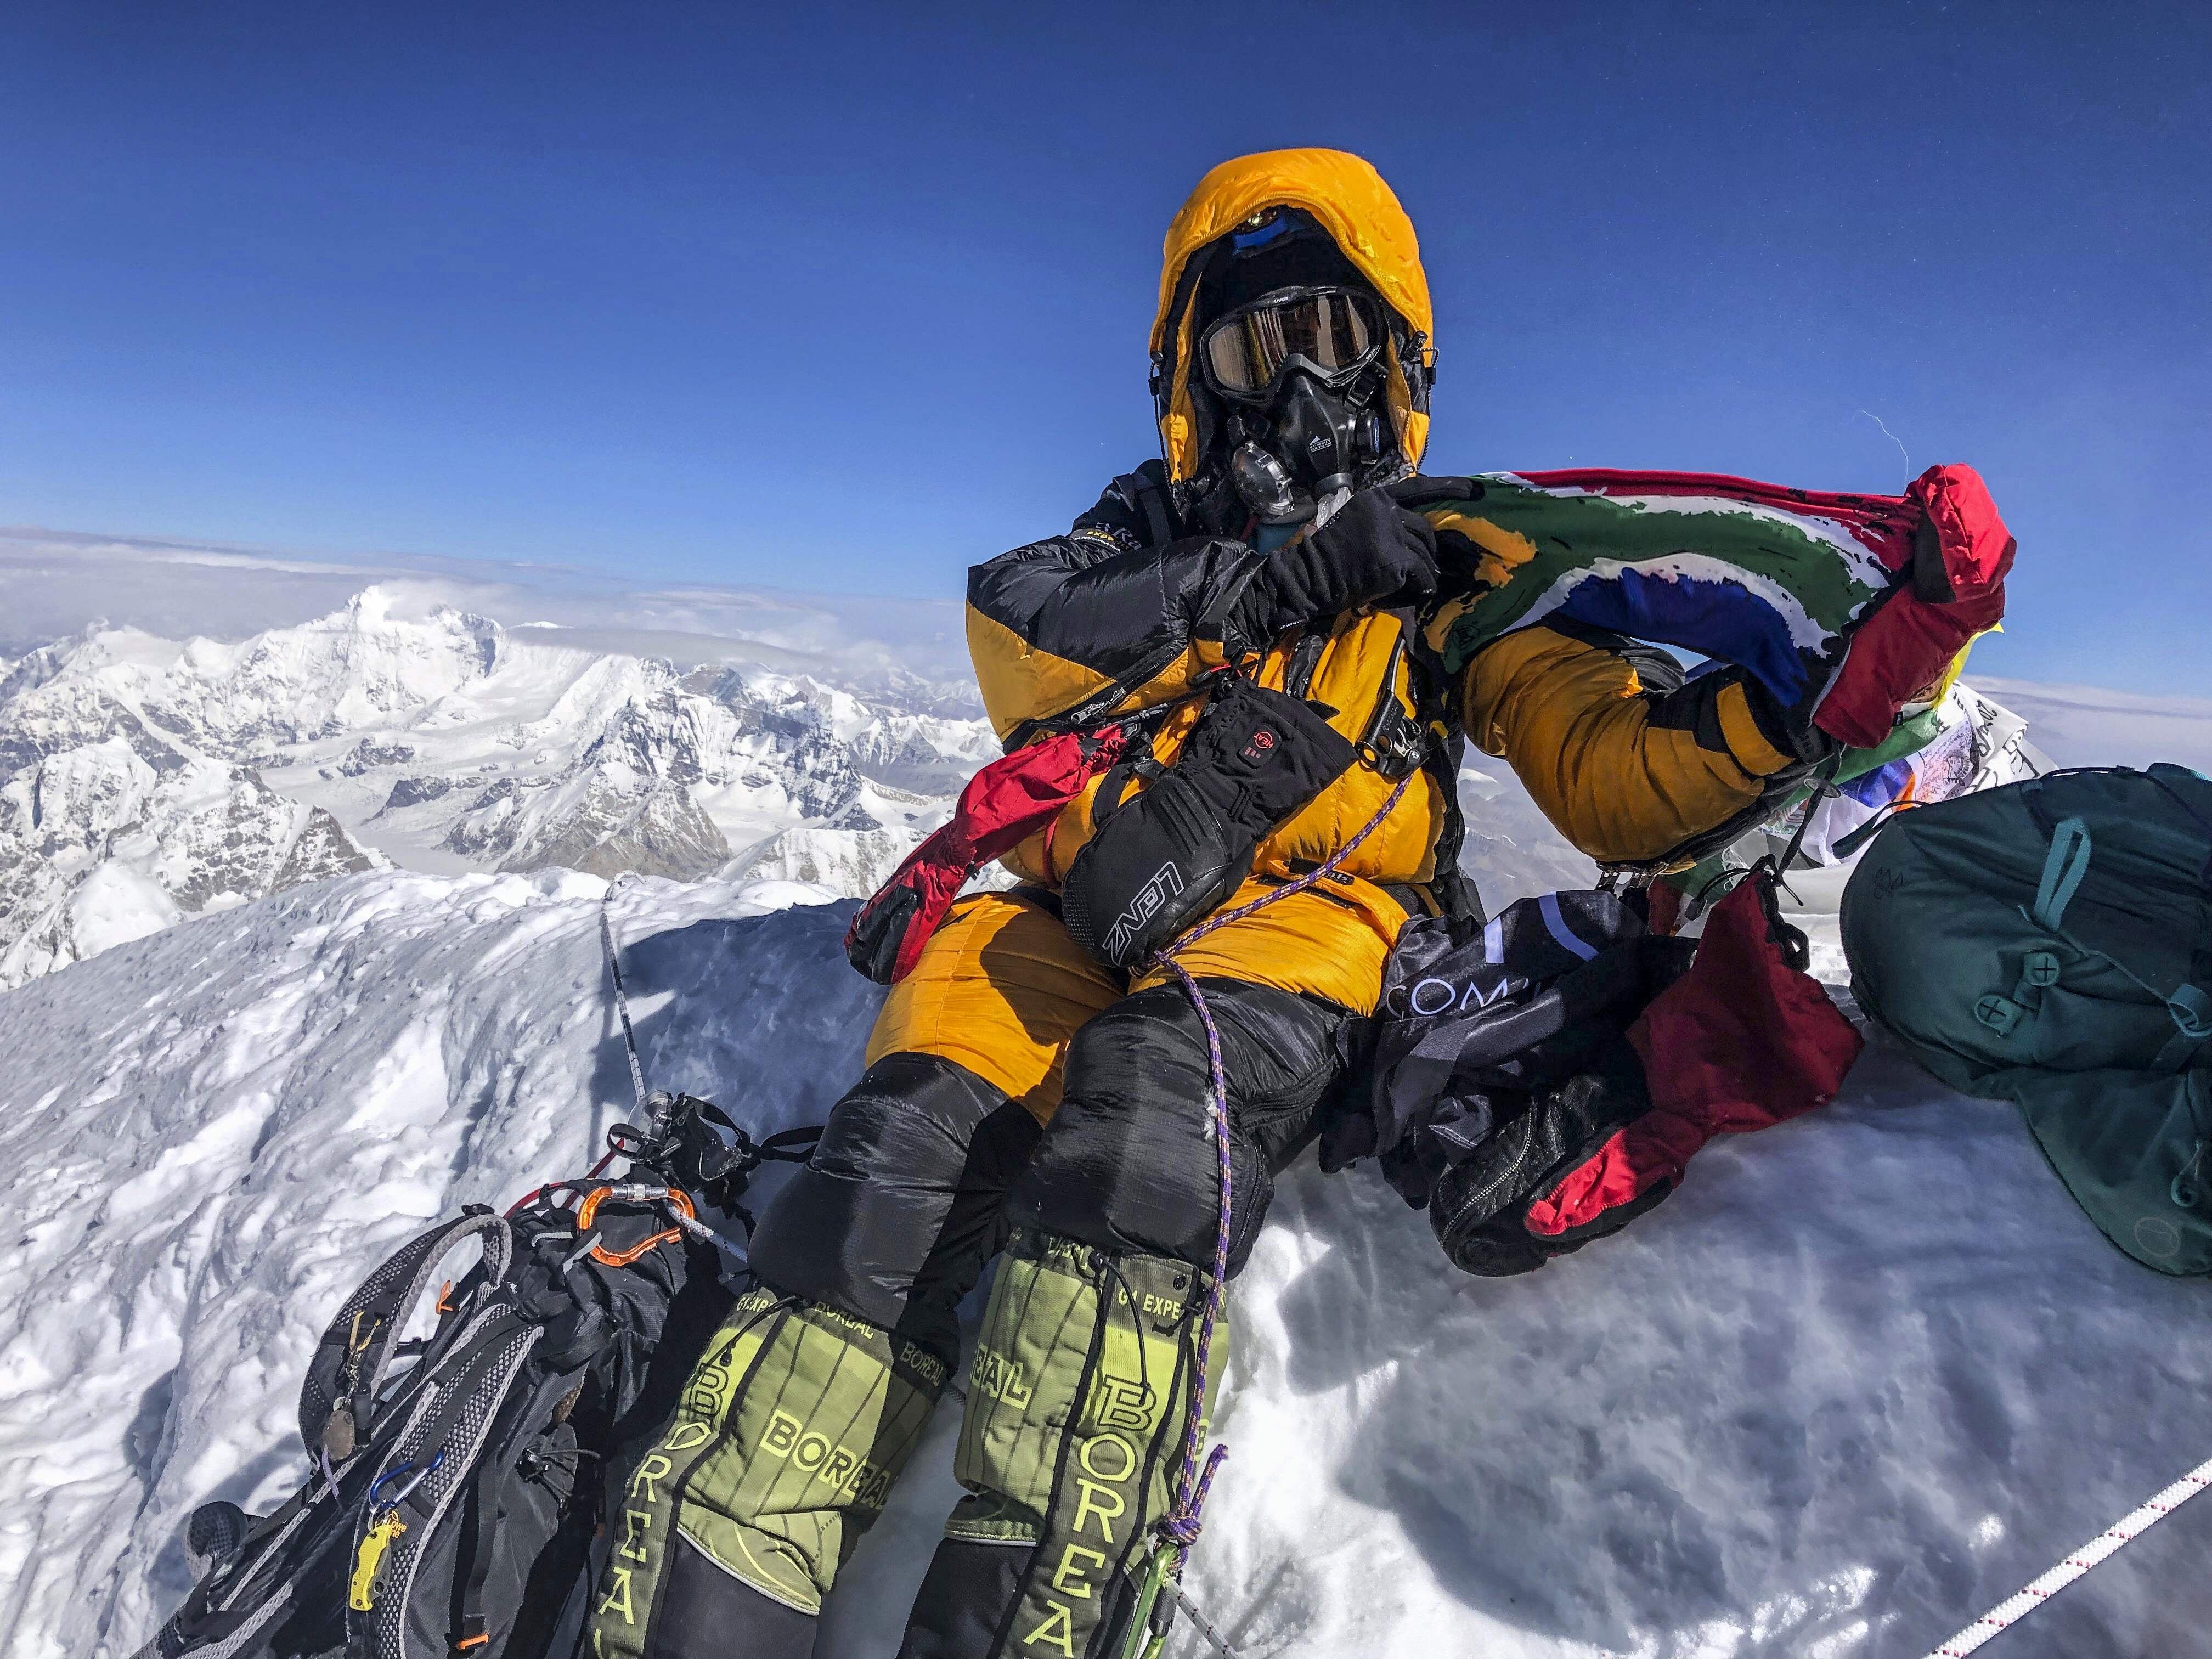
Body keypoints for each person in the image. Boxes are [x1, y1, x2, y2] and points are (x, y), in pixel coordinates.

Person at [587, 148, 1977, 1659]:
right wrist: (1266, 585)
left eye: (1335, 340)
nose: (1299, 389)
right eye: (1258, 346)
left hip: (1302, 932)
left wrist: (1791, 720)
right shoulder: (1144, 538)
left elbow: (1599, 765)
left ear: (1396, 366)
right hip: (1058, 922)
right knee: (891, 1161)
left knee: (1145, 1132)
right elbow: (1021, 634)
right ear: (1194, 377)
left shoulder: (1445, 569)